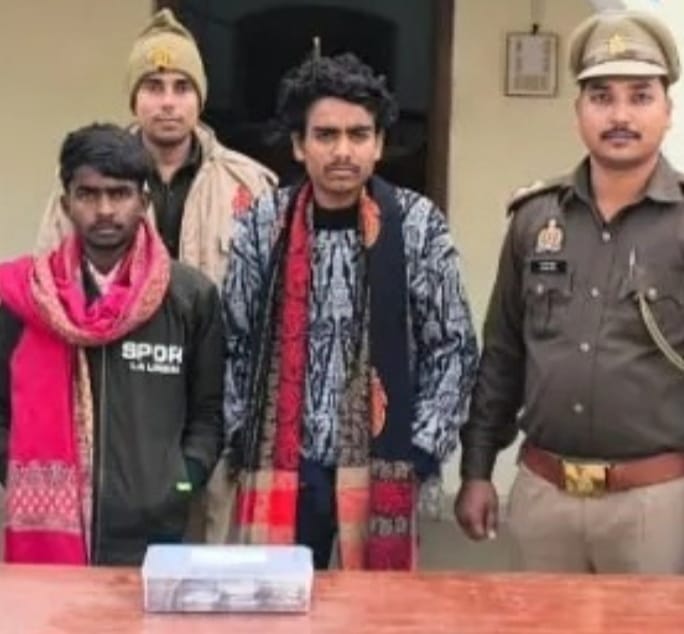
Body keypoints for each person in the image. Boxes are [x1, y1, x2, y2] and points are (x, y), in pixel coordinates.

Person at [223, 52, 478, 570]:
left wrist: (422, 449)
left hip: (384, 464)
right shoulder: (263, 224)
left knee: (376, 608)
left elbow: (453, 346)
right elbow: (234, 341)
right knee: (279, 602)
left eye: (358, 134)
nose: (343, 150)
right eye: (326, 135)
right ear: (299, 144)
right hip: (284, 468)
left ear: (379, 144)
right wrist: (241, 435)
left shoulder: (417, 225)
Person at [455, 10, 684, 574]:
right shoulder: (536, 219)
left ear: (668, 110)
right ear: (578, 111)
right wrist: (477, 469)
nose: (620, 115)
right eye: (602, 97)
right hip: (544, 497)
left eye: (640, 96)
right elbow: (503, 353)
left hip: (656, 504)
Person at [36, 8, 276, 544]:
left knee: (209, 552)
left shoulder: (249, 186)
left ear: (200, 98)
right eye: (153, 86)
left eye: (181, 87)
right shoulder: (87, 181)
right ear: (133, 98)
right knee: (113, 557)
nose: (168, 102)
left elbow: (274, 309)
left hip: (217, 401)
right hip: (117, 405)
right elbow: (49, 293)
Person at [0, 123, 224, 565]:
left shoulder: (189, 297)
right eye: (88, 194)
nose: (104, 210)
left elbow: (209, 412)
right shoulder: (24, 299)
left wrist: (180, 483)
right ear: (66, 203)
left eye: (119, 194)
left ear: (143, 202)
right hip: (46, 536)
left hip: (155, 534)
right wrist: (18, 471)